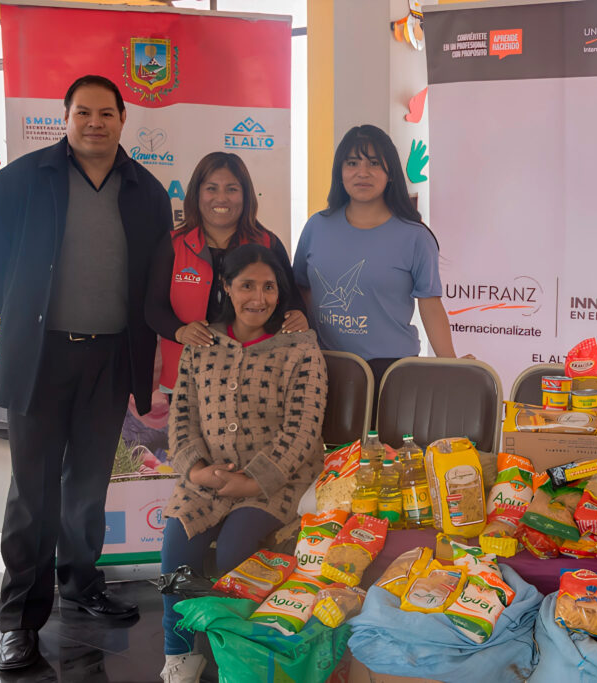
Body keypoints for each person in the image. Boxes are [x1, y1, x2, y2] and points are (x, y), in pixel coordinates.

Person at [0, 75, 172, 671]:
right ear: (66, 118)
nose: (94, 123)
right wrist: (22, 307)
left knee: (88, 484)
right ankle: (19, 619)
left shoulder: (146, 191)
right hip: (42, 356)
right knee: (33, 491)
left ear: (123, 118)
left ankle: (81, 584)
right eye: (83, 113)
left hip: (109, 358)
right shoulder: (26, 179)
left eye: (106, 113)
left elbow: (154, 281)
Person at [158, 244, 327, 682]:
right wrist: (195, 470)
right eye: (247, 285)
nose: (259, 296)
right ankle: (179, 651)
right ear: (227, 288)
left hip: (278, 480)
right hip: (206, 474)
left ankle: (239, 650)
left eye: (269, 287)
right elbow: (182, 419)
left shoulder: (300, 346)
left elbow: (303, 429)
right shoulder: (202, 344)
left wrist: (253, 483)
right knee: (177, 547)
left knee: (237, 554)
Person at [293, 124, 464, 393]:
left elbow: (430, 306)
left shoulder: (415, 236)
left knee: (385, 438)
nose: (362, 172)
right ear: (340, 171)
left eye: (374, 163)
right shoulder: (316, 226)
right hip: (323, 366)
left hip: (391, 373)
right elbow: (300, 290)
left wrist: (452, 367)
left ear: (391, 173)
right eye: (352, 163)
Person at [146, 151, 308, 395]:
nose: (221, 198)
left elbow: (292, 301)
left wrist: (298, 316)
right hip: (187, 378)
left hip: (254, 378)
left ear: (245, 195)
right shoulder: (173, 245)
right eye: (211, 188)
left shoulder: (268, 245)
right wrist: (181, 331)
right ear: (197, 194)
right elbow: (153, 308)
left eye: (232, 189)